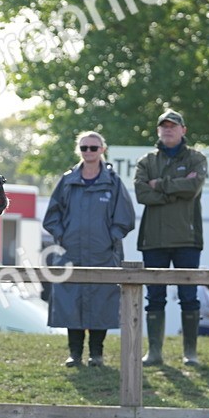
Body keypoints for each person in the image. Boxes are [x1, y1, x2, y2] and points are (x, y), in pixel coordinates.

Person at [43, 131, 136, 367]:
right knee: (70, 301)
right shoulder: (67, 181)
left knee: (101, 302)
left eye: (93, 148)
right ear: (79, 150)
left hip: (103, 254)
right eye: (84, 147)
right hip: (70, 253)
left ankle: (97, 353)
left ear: (102, 150)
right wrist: (62, 235)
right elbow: (52, 216)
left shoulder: (113, 182)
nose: (88, 152)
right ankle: (74, 353)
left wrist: (110, 238)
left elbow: (125, 217)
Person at [134, 109, 208, 366]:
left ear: (183, 130)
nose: (168, 130)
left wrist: (160, 185)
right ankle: (154, 352)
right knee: (154, 297)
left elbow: (193, 188)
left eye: (173, 126)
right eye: (164, 126)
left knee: (189, 296)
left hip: (187, 239)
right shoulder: (146, 161)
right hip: (153, 240)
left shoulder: (196, 158)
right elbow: (142, 194)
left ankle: (190, 353)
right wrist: (176, 189)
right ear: (158, 130)